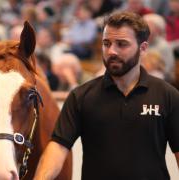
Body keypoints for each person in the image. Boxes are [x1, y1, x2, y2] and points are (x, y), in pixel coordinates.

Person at [34, 11, 179, 180]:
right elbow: (58, 147)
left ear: (143, 48)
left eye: (121, 44)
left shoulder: (167, 95)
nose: (111, 51)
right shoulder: (80, 96)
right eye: (106, 43)